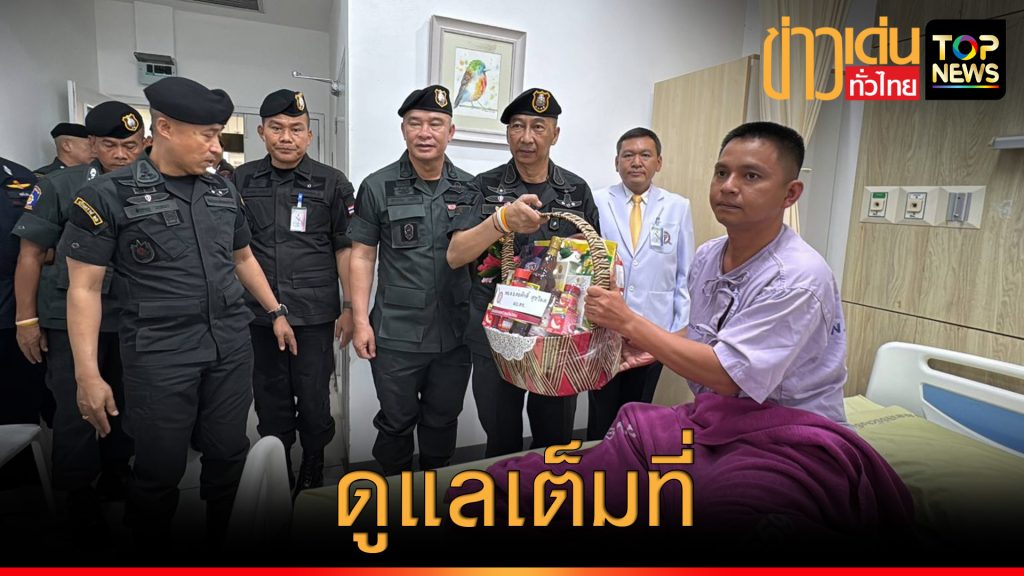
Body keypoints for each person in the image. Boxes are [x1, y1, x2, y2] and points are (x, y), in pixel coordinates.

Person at [59, 76, 297, 550]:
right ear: (165, 128)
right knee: (158, 471)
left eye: (218, 135)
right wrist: (87, 374)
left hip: (229, 346)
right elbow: (83, 289)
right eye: (206, 135)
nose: (217, 147)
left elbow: (243, 258)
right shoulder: (108, 194)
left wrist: (276, 311)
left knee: (229, 456)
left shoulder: (222, 191)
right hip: (160, 353)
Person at [585, 121, 847, 424]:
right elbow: (703, 332)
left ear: (790, 194)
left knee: (636, 426)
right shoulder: (709, 255)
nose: (728, 186)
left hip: (786, 426)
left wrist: (629, 323)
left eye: (751, 176)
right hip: (720, 415)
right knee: (628, 426)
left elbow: (729, 376)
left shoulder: (797, 278)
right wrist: (654, 344)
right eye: (722, 173)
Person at [12, 101, 144, 534]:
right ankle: (77, 489)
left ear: (144, 144)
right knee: (75, 405)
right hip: (66, 314)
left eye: (130, 145)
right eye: (109, 145)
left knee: (127, 398)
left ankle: (117, 471)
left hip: (131, 313)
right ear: (92, 144)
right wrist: (26, 321)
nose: (121, 154)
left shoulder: (153, 185)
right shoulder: (60, 185)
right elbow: (30, 255)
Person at [447, 88, 600, 457]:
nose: (526, 137)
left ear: (555, 134)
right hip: (496, 333)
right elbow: (455, 255)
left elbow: (594, 263)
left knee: (556, 438)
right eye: (517, 126)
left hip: (557, 336)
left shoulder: (576, 190)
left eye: (538, 127)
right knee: (501, 438)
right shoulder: (482, 186)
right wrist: (501, 221)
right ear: (507, 133)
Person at [348, 85, 475, 475]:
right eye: (415, 123)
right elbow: (362, 255)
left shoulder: (471, 189)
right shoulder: (377, 185)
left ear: (450, 131)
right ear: (403, 129)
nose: (425, 133)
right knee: (395, 422)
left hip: (455, 333)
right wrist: (360, 321)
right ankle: (393, 495)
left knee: (443, 420)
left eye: (435, 123)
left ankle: (436, 492)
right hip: (396, 334)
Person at [233, 89, 354, 493]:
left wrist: (349, 306)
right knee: (270, 396)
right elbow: (235, 250)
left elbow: (344, 248)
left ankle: (314, 462)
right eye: (277, 128)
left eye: (296, 129)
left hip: (314, 313)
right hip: (259, 312)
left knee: (314, 394)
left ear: (309, 135)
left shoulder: (332, 182)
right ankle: (278, 463)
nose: (286, 137)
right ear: (261, 132)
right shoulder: (241, 180)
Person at [586, 127, 694, 440]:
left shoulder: (677, 207)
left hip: (653, 328)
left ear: (658, 162)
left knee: (639, 410)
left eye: (645, 155)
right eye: (628, 155)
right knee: (602, 412)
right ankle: (598, 461)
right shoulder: (597, 201)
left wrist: (677, 332)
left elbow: (685, 273)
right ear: (616, 162)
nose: (636, 162)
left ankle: (631, 460)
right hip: (604, 330)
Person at [0, 157, 51, 488]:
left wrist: (28, 317)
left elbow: (40, 245)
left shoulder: (18, 177)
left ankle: (22, 486)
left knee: (19, 406)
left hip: (13, 314)